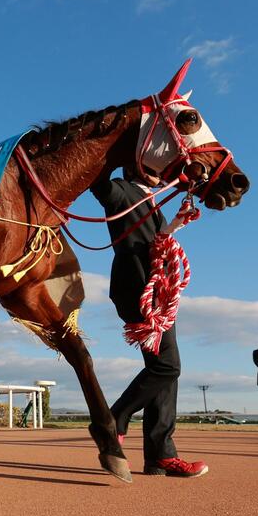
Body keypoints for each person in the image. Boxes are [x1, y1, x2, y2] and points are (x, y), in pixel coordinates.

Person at [90, 167, 208, 478]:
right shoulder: (121, 191)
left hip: (157, 291)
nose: (163, 172)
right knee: (167, 367)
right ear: (137, 167)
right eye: (157, 168)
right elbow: (99, 185)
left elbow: (152, 242)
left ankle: (161, 456)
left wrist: (171, 227)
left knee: (165, 373)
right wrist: (109, 153)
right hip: (137, 287)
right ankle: (113, 419)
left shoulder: (152, 201)